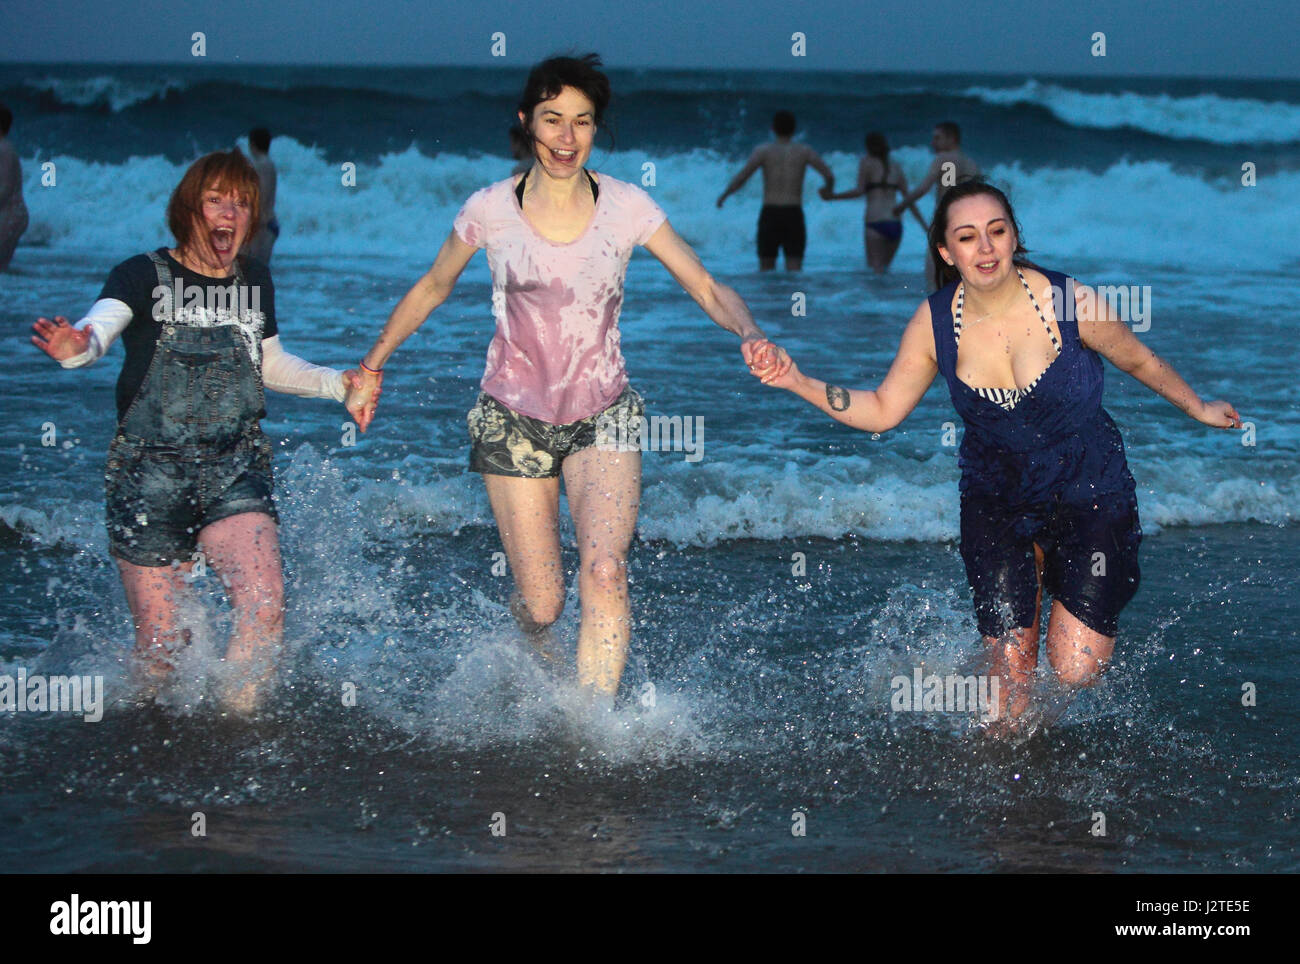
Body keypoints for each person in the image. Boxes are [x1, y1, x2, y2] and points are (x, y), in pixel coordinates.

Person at [347, 54, 783, 705]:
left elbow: (706, 284)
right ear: (527, 123)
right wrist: (372, 363)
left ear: (595, 128)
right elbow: (434, 286)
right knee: (545, 604)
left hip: (603, 415)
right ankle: (527, 641)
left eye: (582, 121)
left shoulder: (627, 206)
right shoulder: (491, 209)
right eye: (553, 119)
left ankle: (590, 728)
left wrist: (748, 331)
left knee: (605, 572)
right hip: (511, 418)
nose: (567, 136)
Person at [755, 180, 1241, 730]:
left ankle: (1050, 625)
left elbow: (1141, 361)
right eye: (967, 237)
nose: (984, 248)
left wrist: (1198, 406)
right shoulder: (935, 322)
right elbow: (883, 410)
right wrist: (796, 380)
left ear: (1013, 238)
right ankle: (1007, 770)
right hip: (996, 497)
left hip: (1088, 489)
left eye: (996, 232)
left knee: (1076, 668)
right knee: (1008, 693)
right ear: (946, 251)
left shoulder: (1070, 301)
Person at [31, 149, 369, 713]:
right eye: (217, 199)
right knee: (163, 651)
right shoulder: (140, 274)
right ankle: (149, 745)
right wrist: (77, 349)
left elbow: (269, 364)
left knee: (263, 607)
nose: (231, 212)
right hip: (147, 476)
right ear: (190, 208)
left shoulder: (254, 279)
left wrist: (341, 384)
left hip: (234, 464)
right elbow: (98, 329)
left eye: (242, 202)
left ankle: (238, 728)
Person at [716, 110, 834, 271]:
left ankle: (770, 297)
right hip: (793, 212)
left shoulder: (763, 151)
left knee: (766, 268)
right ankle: (795, 296)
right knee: (794, 268)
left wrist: (725, 195)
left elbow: (743, 176)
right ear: (793, 129)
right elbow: (828, 174)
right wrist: (827, 190)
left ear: (773, 128)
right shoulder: (804, 151)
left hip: (770, 213)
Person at [892, 121, 980, 284]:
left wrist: (901, 206)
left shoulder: (945, 160)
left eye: (937, 138)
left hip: (946, 223)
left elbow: (924, 188)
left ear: (951, 138)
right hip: (969, 226)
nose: (933, 143)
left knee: (934, 279)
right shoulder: (971, 163)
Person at [824, 131, 910, 273]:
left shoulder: (867, 162)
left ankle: (876, 296)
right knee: (885, 270)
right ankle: (892, 295)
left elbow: (859, 191)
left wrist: (833, 196)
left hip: (875, 222)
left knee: (875, 272)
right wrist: (925, 225)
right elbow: (909, 199)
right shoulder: (896, 166)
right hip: (895, 224)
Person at [0, 103, 29, 272]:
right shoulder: (6, 147)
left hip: (8, 217)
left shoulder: (2, 149)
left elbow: (4, 188)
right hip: (14, 215)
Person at [244, 127, 278, 265]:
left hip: (261, 226)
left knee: (253, 275)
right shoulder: (269, 164)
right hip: (267, 224)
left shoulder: (261, 165)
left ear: (252, 144)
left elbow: (261, 196)